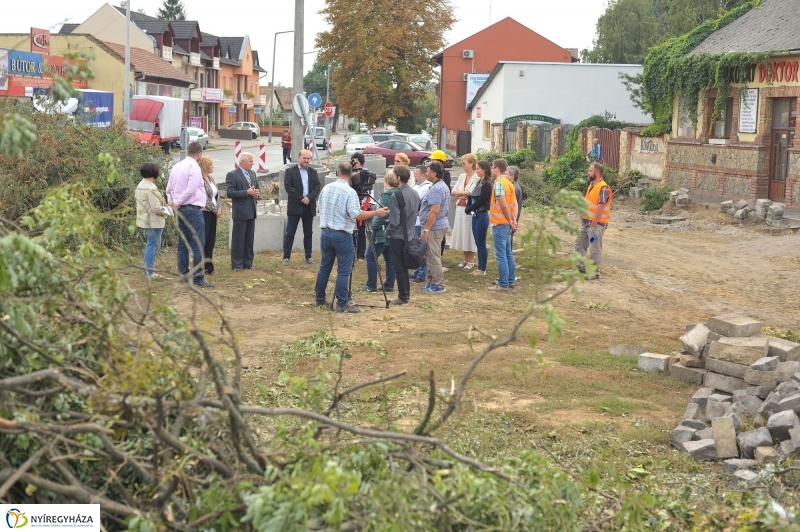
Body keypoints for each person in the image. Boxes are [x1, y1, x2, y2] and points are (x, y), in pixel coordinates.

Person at [314, 162, 388, 313]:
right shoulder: (350, 192)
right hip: (342, 235)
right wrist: (376, 213)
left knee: (325, 267)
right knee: (344, 270)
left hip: (326, 233)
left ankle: (320, 299)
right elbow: (357, 215)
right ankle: (342, 303)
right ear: (352, 175)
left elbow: (320, 208)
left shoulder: (326, 188)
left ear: (337, 173)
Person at [166, 141, 214, 288]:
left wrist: (172, 203)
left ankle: (183, 274)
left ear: (188, 151)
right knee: (197, 244)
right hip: (192, 209)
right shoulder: (194, 167)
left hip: (180, 210)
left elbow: (168, 189)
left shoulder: (176, 166)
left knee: (183, 243)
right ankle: (198, 277)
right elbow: (191, 189)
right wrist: (178, 202)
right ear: (199, 154)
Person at [386, 165, 420, 306]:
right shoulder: (414, 193)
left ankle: (403, 296)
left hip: (398, 237)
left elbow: (394, 220)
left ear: (398, 178)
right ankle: (405, 293)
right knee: (404, 266)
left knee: (398, 266)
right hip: (410, 234)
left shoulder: (396, 195)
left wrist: (388, 232)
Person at [283, 149, 321, 265]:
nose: (306, 160)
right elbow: (288, 187)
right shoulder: (290, 171)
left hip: (309, 206)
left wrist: (309, 197)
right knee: (290, 233)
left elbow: (317, 186)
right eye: (304, 158)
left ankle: (308, 256)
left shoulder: (313, 172)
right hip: (295, 206)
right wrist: (301, 198)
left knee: (308, 233)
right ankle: (286, 257)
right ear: (299, 158)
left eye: (308, 158)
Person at [363, 169, 398, 293]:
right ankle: (389, 284)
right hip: (392, 232)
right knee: (389, 258)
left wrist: (374, 227)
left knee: (370, 256)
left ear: (387, 181)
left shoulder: (387, 195)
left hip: (382, 232)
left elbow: (383, 214)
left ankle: (371, 285)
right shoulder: (399, 193)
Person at [575, 161, 612, 280]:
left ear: (596, 173)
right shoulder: (592, 185)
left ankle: (594, 273)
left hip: (596, 226)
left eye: (590, 171)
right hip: (586, 224)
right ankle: (581, 268)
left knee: (594, 247)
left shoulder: (603, 187)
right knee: (579, 244)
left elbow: (601, 206)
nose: (588, 172)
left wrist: (594, 223)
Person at [486, 158, 518, 291]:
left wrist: (509, 219)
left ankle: (503, 283)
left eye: (492, 167)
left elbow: (504, 205)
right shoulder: (509, 183)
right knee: (508, 253)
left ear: (498, 169)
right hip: (507, 223)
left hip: (500, 223)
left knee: (501, 255)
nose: (491, 169)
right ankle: (510, 280)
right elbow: (514, 204)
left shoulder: (499, 184)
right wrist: (513, 220)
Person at [226, 152, 260, 271]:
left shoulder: (253, 174)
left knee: (249, 239)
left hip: (251, 210)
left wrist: (256, 193)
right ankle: (237, 264)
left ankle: (248, 262)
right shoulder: (232, 175)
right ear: (242, 162)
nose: (253, 164)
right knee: (238, 239)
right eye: (250, 161)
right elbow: (230, 193)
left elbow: (256, 188)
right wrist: (246, 192)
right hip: (240, 212)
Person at [419, 161, 450, 294]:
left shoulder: (437, 189)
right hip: (438, 225)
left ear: (434, 173)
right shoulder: (440, 186)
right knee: (430, 255)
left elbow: (434, 211)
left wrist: (426, 229)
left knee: (433, 256)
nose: (426, 173)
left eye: (428, 171)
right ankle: (432, 282)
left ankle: (438, 284)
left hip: (434, 227)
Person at [135, 162, 168, 279]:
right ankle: (149, 272)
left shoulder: (141, 184)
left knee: (152, 244)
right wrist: (167, 210)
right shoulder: (150, 187)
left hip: (145, 219)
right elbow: (156, 208)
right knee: (153, 245)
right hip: (153, 220)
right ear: (154, 173)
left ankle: (148, 269)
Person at [450, 153, 480, 269]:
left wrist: (462, 194)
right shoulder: (462, 176)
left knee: (469, 233)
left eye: (464, 163)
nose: (462, 165)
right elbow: (454, 191)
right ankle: (465, 259)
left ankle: (471, 259)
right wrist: (463, 194)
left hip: (469, 210)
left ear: (471, 164)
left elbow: (472, 194)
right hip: (459, 208)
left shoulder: (477, 178)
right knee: (462, 232)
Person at [465, 160, 492, 276]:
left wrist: (470, 207)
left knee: (481, 243)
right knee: (477, 242)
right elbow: (472, 196)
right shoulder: (478, 182)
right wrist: (469, 206)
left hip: (482, 215)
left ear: (484, 170)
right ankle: (480, 265)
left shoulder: (487, 184)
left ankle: (482, 268)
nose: (477, 171)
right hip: (475, 215)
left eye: (479, 169)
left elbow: (482, 200)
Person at [350, 153, 376, 261]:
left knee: (361, 230)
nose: (353, 163)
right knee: (351, 230)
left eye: (355, 161)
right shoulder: (349, 172)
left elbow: (369, 189)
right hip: (352, 203)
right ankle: (351, 253)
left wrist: (370, 204)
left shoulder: (366, 173)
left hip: (363, 204)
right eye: (352, 161)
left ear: (360, 162)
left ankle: (361, 254)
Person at [199, 156, 221, 276]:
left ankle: (209, 266)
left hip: (213, 213)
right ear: (206, 166)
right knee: (203, 239)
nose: (213, 166)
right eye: (212, 164)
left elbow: (217, 196)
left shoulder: (211, 178)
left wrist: (219, 208)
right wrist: (215, 210)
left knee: (211, 241)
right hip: (204, 212)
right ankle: (197, 266)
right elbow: (204, 199)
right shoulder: (200, 180)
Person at [410, 165, 431, 283]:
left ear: (423, 175)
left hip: (419, 222)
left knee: (420, 249)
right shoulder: (417, 186)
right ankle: (416, 270)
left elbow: (415, 200)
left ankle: (422, 273)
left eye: (416, 173)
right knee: (414, 248)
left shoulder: (426, 187)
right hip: (415, 220)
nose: (414, 175)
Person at [507, 165, 523, 251]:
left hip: (512, 218)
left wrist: (513, 220)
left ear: (512, 176)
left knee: (508, 240)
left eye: (506, 174)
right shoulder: (513, 186)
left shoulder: (513, 188)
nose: (504, 176)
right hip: (513, 218)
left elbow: (513, 205)